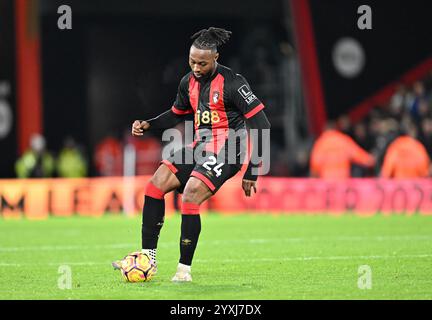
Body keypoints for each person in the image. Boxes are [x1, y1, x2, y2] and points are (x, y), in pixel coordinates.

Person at [112, 27, 271, 282]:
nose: (196, 67)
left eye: (202, 63)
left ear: (216, 57)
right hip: (200, 149)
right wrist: (149, 123)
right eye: (192, 61)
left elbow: (262, 125)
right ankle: (147, 258)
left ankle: (183, 270)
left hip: (228, 152)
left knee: (191, 193)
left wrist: (253, 171)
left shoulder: (233, 83)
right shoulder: (188, 82)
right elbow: (177, 113)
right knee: (155, 184)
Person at [310, 121, 375, 179]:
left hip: (327, 181)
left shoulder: (320, 143)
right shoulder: (343, 140)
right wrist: (371, 159)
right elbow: (359, 155)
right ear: (336, 129)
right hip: (343, 179)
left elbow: (315, 163)